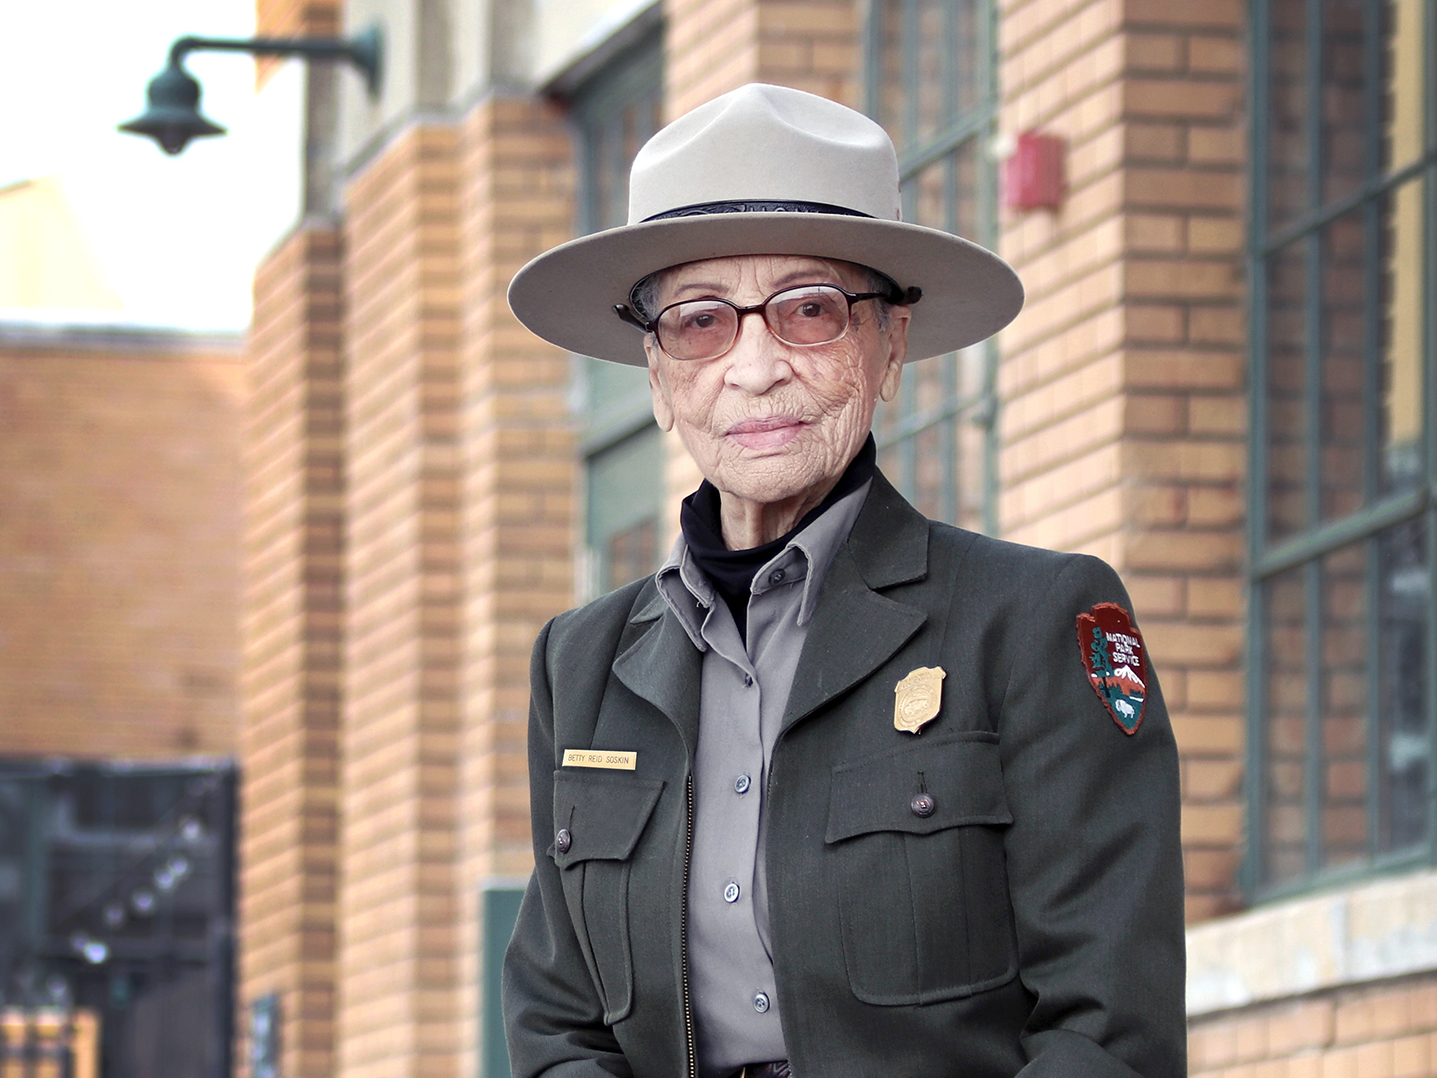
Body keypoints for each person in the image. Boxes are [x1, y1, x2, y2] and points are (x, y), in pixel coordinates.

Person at [502, 83, 1185, 1078]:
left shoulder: (1033, 620)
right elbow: (558, 1025)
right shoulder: (583, 663)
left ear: (889, 349)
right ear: (657, 378)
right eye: (700, 323)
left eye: (809, 310)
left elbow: (1109, 1029)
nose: (754, 366)